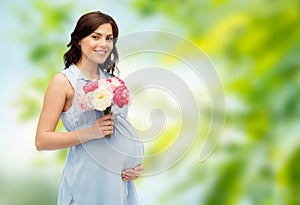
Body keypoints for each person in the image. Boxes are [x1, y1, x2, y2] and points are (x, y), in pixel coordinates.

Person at [35, 11, 144, 205]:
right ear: (78, 40)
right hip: (88, 182)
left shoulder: (113, 82)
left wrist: (134, 164)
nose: (103, 44)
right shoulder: (63, 82)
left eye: (109, 38)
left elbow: (121, 130)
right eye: (96, 37)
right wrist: (90, 132)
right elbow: (42, 140)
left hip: (119, 184)